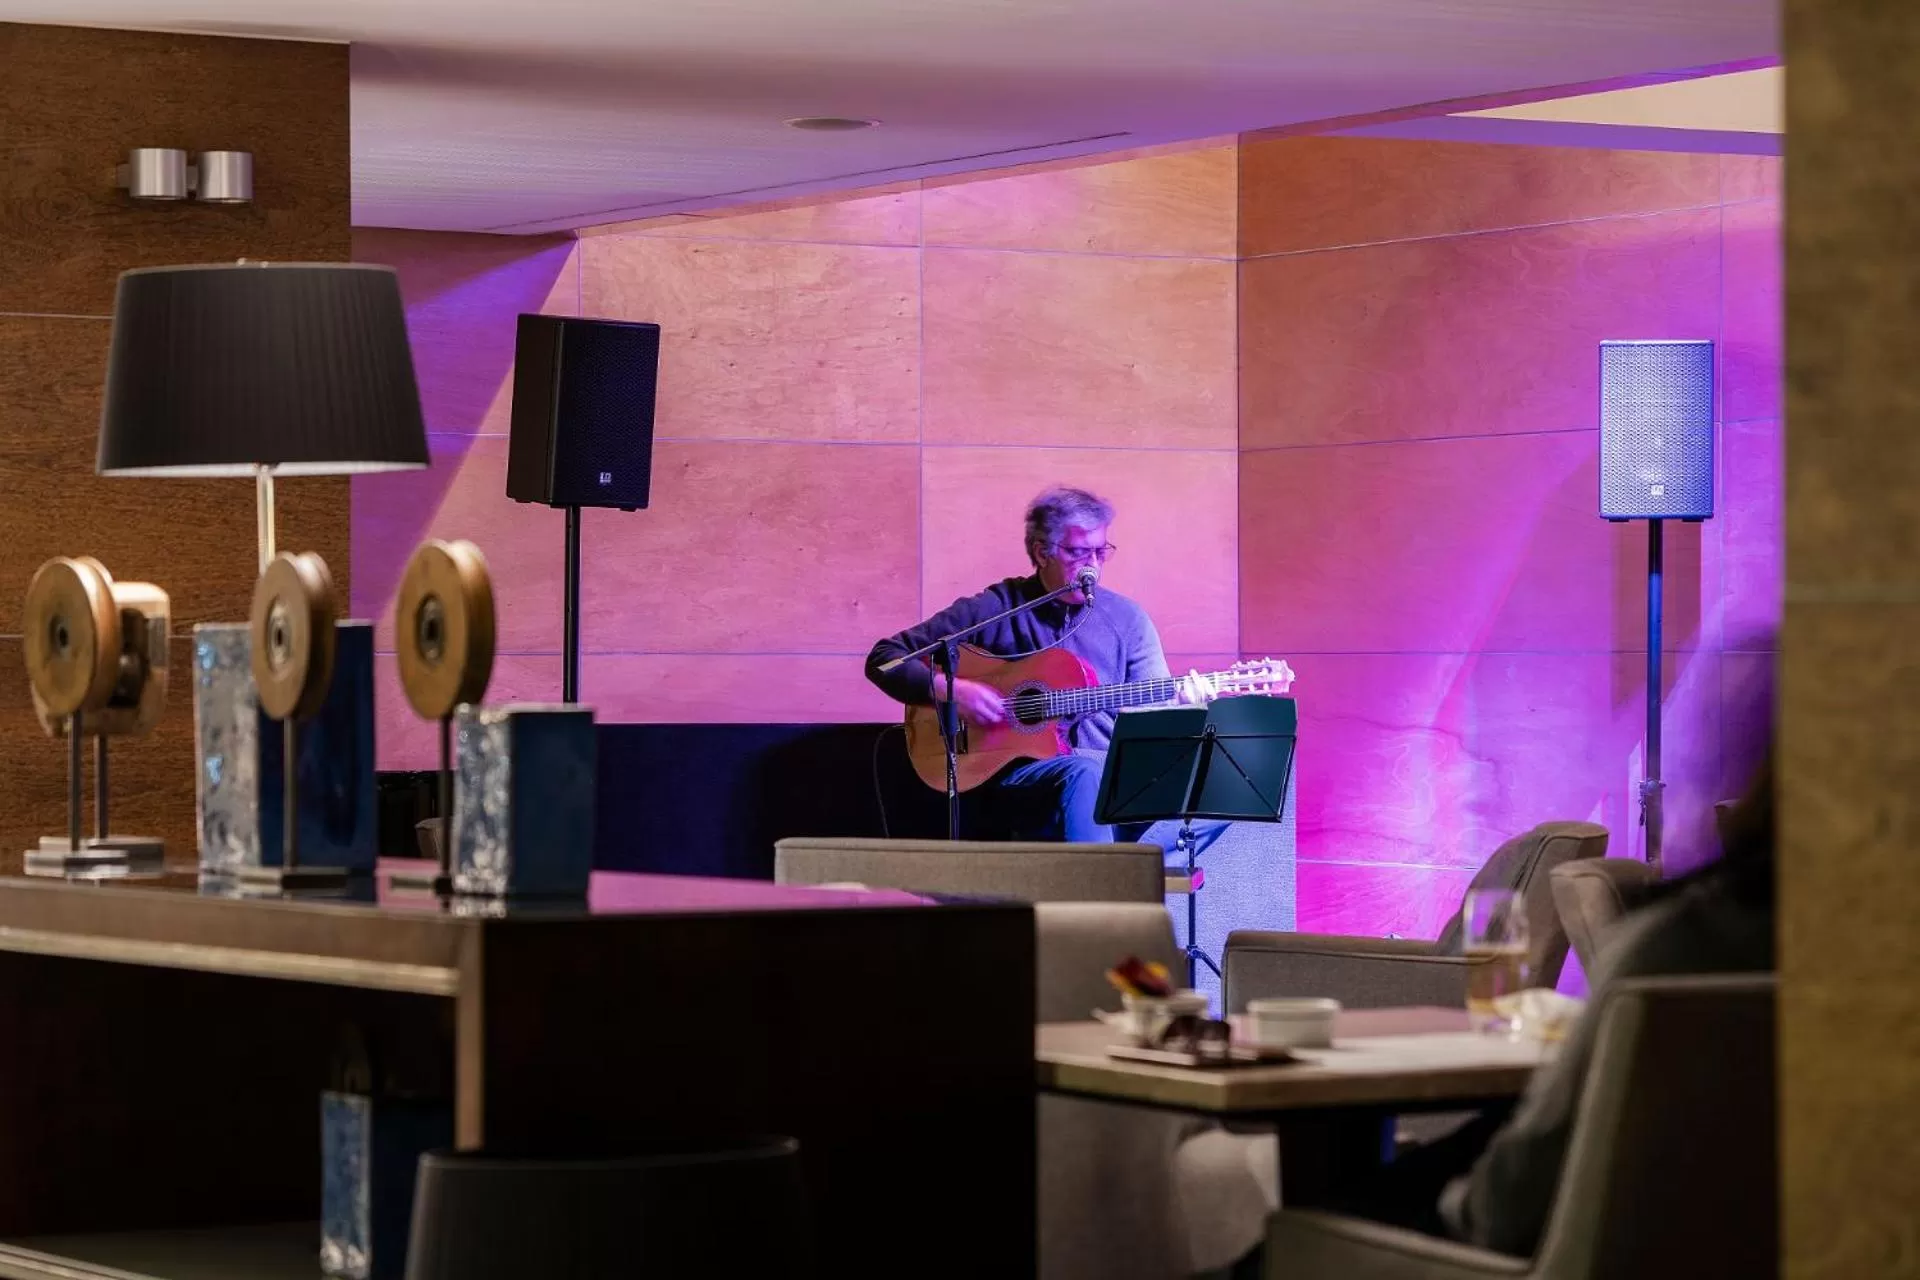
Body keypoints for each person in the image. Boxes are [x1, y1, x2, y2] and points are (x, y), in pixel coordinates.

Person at [864, 485, 1223, 845]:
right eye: (1079, 553)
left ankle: (1123, 875)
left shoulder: (1128, 620)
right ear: (1042, 552)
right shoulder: (997, 608)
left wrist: (1185, 704)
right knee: (1084, 774)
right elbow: (886, 660)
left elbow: (1152, 719)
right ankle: (1110, 883)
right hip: (1022, 772)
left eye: (1101, 552)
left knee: (1221, 787)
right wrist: (953, 691)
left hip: (1116, 771)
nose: (1093, 565)